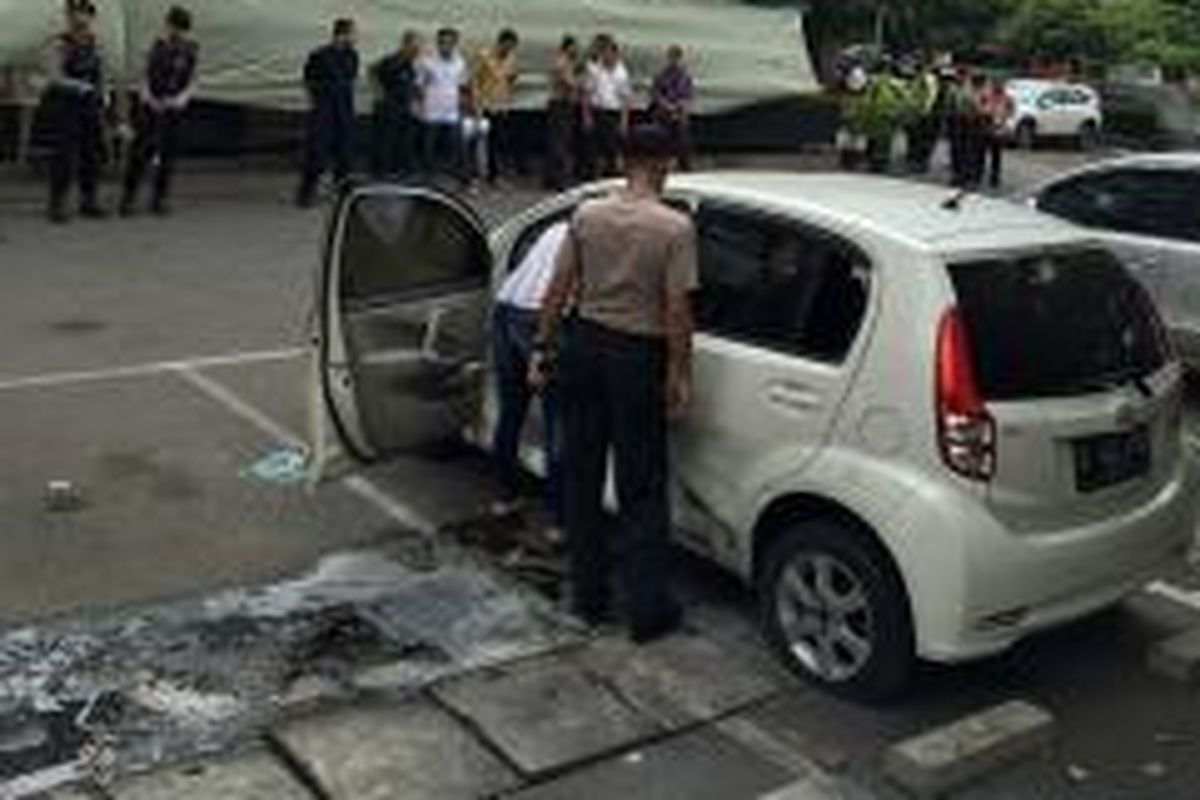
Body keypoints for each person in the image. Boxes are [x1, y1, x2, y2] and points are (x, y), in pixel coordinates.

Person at [532, 124, 697, 644]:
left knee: (582, 479)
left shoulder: (587, 214)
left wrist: (542, 348)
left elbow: (559, 288)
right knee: (641, 487)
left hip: (584, 348)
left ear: (624, 160)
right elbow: (677, 309)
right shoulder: (673, 229)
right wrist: (677, 373)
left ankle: (590, 599)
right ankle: (648, 612)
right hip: (636, 357)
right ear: (665, 163)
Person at [490, 221, 570, 536]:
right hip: (545, 317)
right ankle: (558, 518)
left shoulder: (558, 226)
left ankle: (504, 494)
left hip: (508, 306)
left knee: (511, 410)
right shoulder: (597, 231)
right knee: (558, 420)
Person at [120, 6, 198, 216]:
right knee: (141, 152)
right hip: (150, 105)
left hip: (173, 107)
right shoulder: (157, 46)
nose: (178, 32)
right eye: (175, 27)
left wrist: (181, 98)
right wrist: (148, 97)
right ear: (168, 25)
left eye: (182, 29)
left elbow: (191, 79)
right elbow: (144, 74)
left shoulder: (190, 49)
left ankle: (160, 197)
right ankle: (128, 197)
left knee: (169, 154)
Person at [44, 0, 106, 223]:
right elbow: (54, 76)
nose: (83, 19)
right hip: (65, 104)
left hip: (89, 105)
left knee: (91, 154)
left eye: (87, 14)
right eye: (78, 14)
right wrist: (80, 86)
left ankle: (88, 200)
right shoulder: (60, 43)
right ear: (69, 16)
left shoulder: (94, 42)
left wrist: (103, 93)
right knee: (64, 155)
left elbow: (100, 70)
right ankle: (57, 204)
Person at [296, 18, 359, 208]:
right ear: (342, 34)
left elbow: (350, 80)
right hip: (324, 111)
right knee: (317, 154)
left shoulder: (352, 55)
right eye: (353, 33)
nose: (356, 37)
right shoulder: (319, 55)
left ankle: (343, 193)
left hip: (344, 110)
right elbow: (308, 80)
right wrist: (317, 101)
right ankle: (306, 193)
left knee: (345, 155)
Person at [418, 27, 471, 182]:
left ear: (455, 44)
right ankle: (427, 175)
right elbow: (419, 86)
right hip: (431, 109)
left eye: (449, 43)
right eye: (442, 42)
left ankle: (459, 174)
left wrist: (464, 107)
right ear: (437, 43)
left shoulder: (460, 62)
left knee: (457, 143)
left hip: (451, 109)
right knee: (429, 145)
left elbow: (462, 86)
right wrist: (420, 105)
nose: (445, 46)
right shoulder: (427, 61)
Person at [370, 29, 422, 178]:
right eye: (415, 45)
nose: (418, 49)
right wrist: (378, 92)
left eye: (419, 46)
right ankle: (381, 171)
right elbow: (372, 70)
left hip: (404, 105)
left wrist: (415, 96)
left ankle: (400, 170)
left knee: (404, 139)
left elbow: (409, 83)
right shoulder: (393, 59)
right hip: (390, 105)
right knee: (386, 140)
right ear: (406, 44)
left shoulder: (410, 63)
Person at [473, 28, 521, 185]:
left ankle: (494, 176)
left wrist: (511, 88)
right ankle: (480, 175)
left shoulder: (511, 59)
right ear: (500, 42)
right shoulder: (484, 56)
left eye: (512, 47)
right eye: (508, 45)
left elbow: (511, 80)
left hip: (503, 105)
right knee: (484, 142)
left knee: (500, 142)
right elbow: (475, 81)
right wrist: (476, 103)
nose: (510, 49)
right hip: (486, 105)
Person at [583, 35, 633, 179]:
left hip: (613, 112)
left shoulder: (622, 72)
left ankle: (611, 175)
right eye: (604, 52)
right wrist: (587, 116)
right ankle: (592, 175)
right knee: (593, 148)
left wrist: (624, 121)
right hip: (597, 111)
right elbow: (587, 93)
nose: (607, 56)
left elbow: (626, 99)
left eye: (610, 53)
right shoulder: (594, 69)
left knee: (612, 148)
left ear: (615, 54)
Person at [544, 35, 582, 190]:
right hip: (560, 104)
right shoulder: (561, 63)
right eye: (575, 47)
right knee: (559, 142)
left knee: (561, 141)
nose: (577, 50)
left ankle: (551, 177)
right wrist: (580, 79)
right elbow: (570, 83)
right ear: (568, 47)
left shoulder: (569, 63)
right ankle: (559, 179)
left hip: (566, 104)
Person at [649, 45, 695, 171]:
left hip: (680, 113)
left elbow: (689, 96)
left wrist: (680, 106)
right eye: (671, 57)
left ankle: (684, 164)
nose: (674, 61)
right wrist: (668, 106)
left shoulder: (685, 77)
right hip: (663, 112)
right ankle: (661, 162)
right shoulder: (660, 75)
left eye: (677, 58)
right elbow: (656, 95)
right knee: (661, 135)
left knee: (683, 133)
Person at [904, 58, 939, 174]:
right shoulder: (918, 79)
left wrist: (925, 110)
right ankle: (915, 161)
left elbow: (930, 97)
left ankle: (921, 163)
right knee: (915, 138)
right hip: (916, 112)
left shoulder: (927, 80)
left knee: (922, 139)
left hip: (924, 113)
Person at [979, 77, 1014, 188]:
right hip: (987, 128)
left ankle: (995, 178)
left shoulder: (1007, 98)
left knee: (996, 156)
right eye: (996, 85)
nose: (998, 87)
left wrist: (1004, 118)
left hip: (999, 130)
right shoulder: (987, 96)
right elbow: (981, 108)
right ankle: (979, 174)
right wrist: (986, 112)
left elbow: (1011, 111)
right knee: (982, 154)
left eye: (1000, 85)